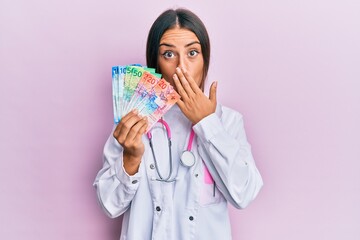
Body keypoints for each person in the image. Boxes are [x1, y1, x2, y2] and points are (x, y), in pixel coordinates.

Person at [94, 8, 263, 240]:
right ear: (156, 62)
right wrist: (130, 159)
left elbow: (244, 194)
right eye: (169, 55)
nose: (182, 67)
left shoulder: (228, 121)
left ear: (205, 60)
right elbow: (109, 205)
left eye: (192, 53)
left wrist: (207, 123)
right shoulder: (132, 122)